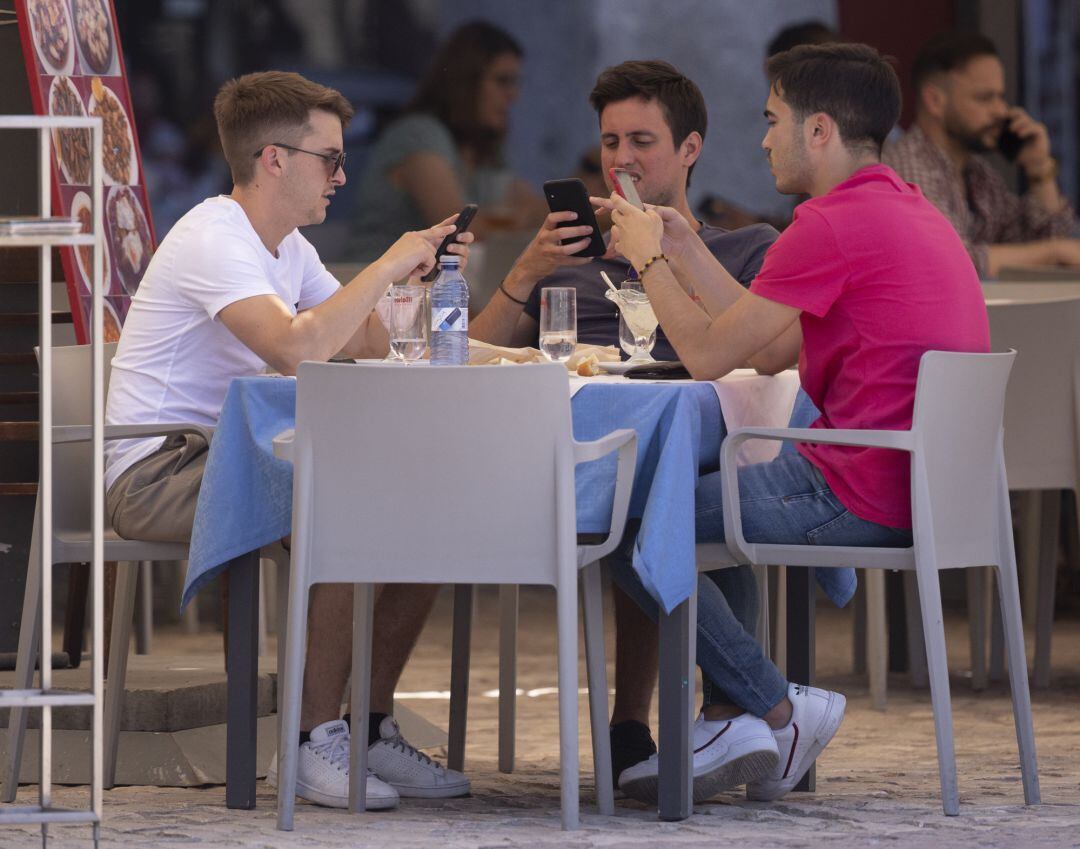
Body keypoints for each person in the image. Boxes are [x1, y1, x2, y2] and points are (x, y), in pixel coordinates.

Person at [600, 43, 989, 803]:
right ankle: (740, 718)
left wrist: (646, 260)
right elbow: (771, 344)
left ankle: (773, 709)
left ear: (819, 131)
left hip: (856, 484)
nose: (763, 139)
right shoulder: (903, 208)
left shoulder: (827, 225)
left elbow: (711, 355)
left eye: (772, 120)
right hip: (922, 485)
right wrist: (684, 247)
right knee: (694, 495)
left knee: (620, 517)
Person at [105, 71, 472, 811]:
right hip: (156, 467)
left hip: (232, 454)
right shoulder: (215, 235)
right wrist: (385, 263)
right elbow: (296, 349)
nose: (341, 175)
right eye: (328, 159)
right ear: (273, 159)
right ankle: (310, 741)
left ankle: (363, 727)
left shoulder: (289, 246)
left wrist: (423, 285)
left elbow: (365, 339)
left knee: (433, 502)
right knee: (343, 496)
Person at [470, 59, 779, 787]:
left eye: (642, 140)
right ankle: (727, 718)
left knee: (686, 491)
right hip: (559, 466)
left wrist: (663, 259)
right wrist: (523, 272)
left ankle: (723, 714)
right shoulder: (568, 265)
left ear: (690, 150)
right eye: (610, 143)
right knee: (631, 490)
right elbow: (469, 359)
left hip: (692, 454)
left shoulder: (740, 251)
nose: (621, 161)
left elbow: (758, 362)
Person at [883, 31, 1080, 278]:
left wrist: (1038, 167)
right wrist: (1055, 251)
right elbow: (951, 260)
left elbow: (1041, 245)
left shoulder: (978, 172)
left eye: (1000, 97)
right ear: (935, 101)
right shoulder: (908, 167)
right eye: (985, 98)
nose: (1001, 110)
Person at [349, 20, 547, 261]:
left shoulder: (482, 147)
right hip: (379, 283)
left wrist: (589, 203)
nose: (513, 95)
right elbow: (458, 228)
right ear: (466, 81)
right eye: (502, 81)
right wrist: (524, 218)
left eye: (515, 83)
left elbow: (535, 207)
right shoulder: (419, 134)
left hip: (437, 285)